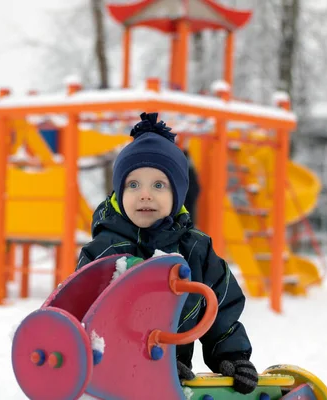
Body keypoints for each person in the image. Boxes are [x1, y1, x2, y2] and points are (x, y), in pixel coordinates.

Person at [76, 112, 258, 394]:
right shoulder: (103, 251)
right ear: (118, 193)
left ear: (178, 195)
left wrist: (231, 356)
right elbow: (83, 318)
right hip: (110, 382)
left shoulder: (197, 250)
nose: (145, 195)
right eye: (133, 184)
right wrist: (140, 363)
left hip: (173, 380)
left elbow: (221, 305)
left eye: (158, 185)